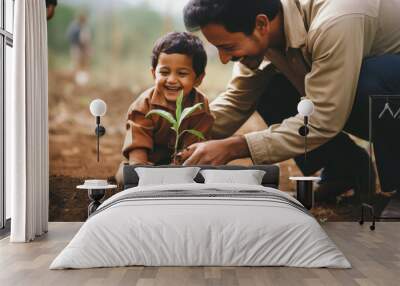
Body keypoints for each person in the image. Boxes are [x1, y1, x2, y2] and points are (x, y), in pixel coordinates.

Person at [180, 0, 400, 201]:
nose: (224, 59)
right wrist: (177, 133)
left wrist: (235, 147)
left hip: (388, 88)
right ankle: (345, 169)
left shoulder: (334, 21)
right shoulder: (264, 33)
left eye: (228, 47)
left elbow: (323, 118)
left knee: (368, 81)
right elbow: (236, 100)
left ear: (261, 24)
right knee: (271, 87)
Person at [115, 32, 214, 184]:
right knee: (126, 176)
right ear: (154, 74)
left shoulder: (200, 107)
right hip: (147, 167)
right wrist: (141, 170)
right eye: (164, 72)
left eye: (182, 73)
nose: (172, 80)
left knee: (206, 175)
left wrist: (176, 170)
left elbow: (193, 151)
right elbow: (137, 150)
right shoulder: (144, 105)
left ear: (198, 79)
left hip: (183, 168)